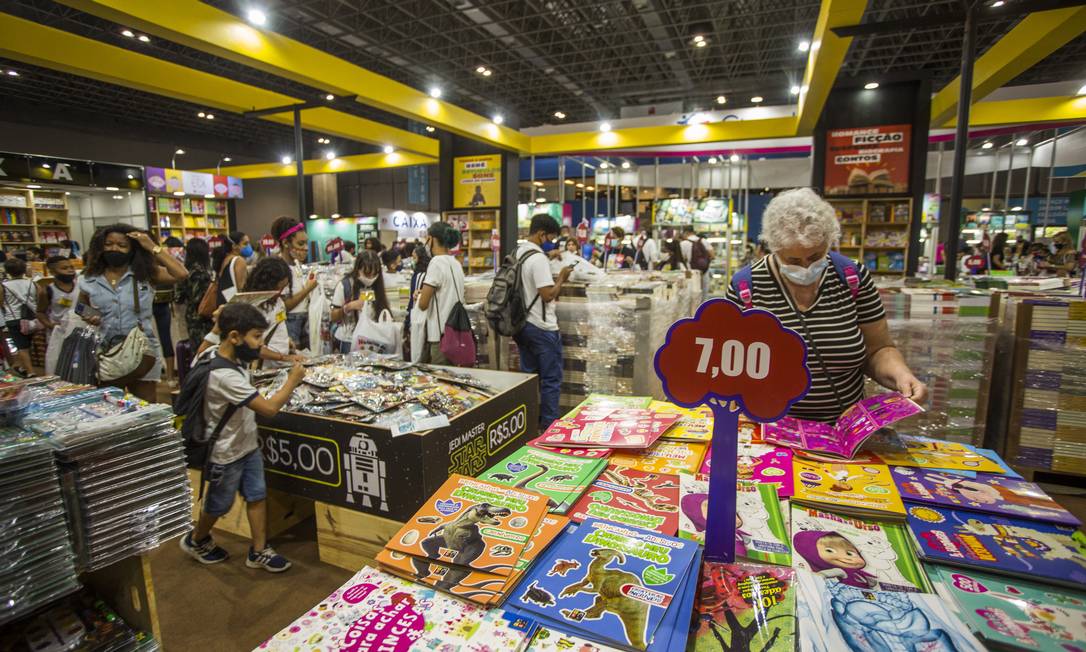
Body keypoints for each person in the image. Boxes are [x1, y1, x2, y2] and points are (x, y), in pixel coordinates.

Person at [725, 188, 927, 423]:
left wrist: (902, 375)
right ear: (774, 248)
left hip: (846, 427)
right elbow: (733, 368)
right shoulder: (746, 288)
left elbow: (878, 349)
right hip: (772, 429)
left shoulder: (852, 278)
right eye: (792, 260)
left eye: (815, 256)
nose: (805, 267)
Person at [180, 303, 306, 572]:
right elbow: (270, 409)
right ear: (234, 337)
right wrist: (292, 380)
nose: (259, 344)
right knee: (218, 504)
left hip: (246, 444)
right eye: (256, 336)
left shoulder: (226, 356)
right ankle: (197, 538)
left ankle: (259, 550)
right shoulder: (224, 375)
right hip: (224, 454)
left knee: (257, 495)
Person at [79, 224, 189, 401]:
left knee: (146, 407)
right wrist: (89, 315)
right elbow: (81, 306)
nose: (114, 249)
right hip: (106, 351)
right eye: (109, 244)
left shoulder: (145, 274)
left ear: (133, 249)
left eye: (122, 245)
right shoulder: (89, 277)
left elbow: (181, 274)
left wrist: (152, 246)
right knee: (110, 407)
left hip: (142, 350)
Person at [515, 214, 573, 428]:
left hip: (522, 325)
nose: (552, 241)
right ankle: (549, 427)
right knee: (550, 381)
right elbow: (547, 294)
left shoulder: (520, 252)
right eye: (551, 237)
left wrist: (549, 255)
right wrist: (561, 278)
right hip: (542, 327)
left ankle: (528, 425)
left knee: (529, 380)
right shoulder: (538, 259)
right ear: (541, 234)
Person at [415, 222, 465, 365]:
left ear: (432, 239)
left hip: (440, 335)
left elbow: (423, 304)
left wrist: (419, 296)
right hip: (456, 333)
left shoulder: (436, 262)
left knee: (441, 381)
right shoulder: (456, 263)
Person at [271, 217, 318, 351]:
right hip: (290, 322)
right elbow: (284, 305)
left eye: (306, 243)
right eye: (300, 244)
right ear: (286, 243)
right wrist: (307, 289)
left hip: (303, 320)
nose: (305, 248)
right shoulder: (279, 268)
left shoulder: (296, 263)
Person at [331, 251, 390, 354]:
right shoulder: (345, 285)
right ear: (358, 269)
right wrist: (348, 307)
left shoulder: (377, 285)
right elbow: (333, 316)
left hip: (373, 340)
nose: (371, 278)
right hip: (349, 340)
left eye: (375, 274)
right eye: (367, 274)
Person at [37, 256, 79, 375]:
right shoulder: (47, 291)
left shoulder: (81, 287)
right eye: (64, 268)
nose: (70, 270)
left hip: (79, 331)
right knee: (58, 365)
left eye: (71, 267)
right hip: (58, 333)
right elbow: (40, 312)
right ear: (53, 271)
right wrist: (50, 325)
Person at [1, 257, 38, 376]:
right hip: (32, 318)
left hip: (13, 318)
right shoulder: (33, 283)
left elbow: (0, 302)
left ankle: (30, 372)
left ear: (7, 271)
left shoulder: (4, 286)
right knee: (29, 345)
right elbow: (40, 298)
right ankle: (22, 367)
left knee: (21, 347)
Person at [178, 237, 214, 347]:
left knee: (195, 347)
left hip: (190, 316)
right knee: (205, 349)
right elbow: (201, 299)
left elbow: (178, 297)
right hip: (203, 318)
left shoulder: (184, 271)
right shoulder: (202, 274)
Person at [403, 245, 431, 361]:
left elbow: (413, 301)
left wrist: (407, 322)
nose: (413, 261)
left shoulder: (419, 276)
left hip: (418, 319)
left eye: (414, 258)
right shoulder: (429, 273)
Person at [212, 231, 250, 305]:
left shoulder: (225, 259)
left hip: (223, 304)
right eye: (245, 244)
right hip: (234, 307)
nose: (249, 247)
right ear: (234, 246)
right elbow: (241, 289)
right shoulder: (239, 260)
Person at [681, 226, 714, 295]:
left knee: (692, 294)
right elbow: (712, 255)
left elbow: (681, 259)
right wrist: (704, 262)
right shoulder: (703, 241)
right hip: (704, 272)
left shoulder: (683, 243)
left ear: (686, 233)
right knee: (704, 294)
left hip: (690, 273)